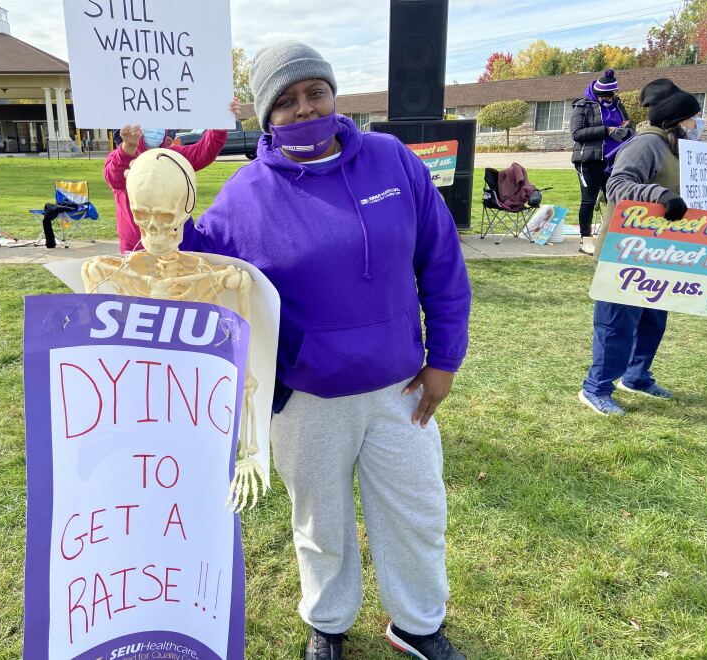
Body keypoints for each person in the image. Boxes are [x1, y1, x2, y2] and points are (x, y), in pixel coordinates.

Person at [180, 42, 471, 660]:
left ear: (334, 94)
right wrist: (148, 188)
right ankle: (328, 622)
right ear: (266, 117)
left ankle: (417, 625)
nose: (304, 108)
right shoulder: (244, 194)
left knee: (416, 513)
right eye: (284, 102)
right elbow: (189, 265)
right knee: (320, 526)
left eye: (315, 91)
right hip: (306, 398)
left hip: (401, 392)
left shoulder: (393, 161)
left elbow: (441, 262)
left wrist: (444, 360)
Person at [579, 78, 703, 416]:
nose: (698, 124)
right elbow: (618, 186)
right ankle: (596, 388)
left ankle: (636, 376)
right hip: (626, 251)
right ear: (676, 121)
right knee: (617, 323)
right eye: (693, 118)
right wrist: (660, 196)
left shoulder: (679, 148)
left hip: (660, 251)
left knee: (652, 321)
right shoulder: (647, 144)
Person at [105, 99, 241, 253]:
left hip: (178, 245)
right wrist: (128, 148)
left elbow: (204, 151)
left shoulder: (174, 156)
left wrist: (219, 124)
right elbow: (115, 178)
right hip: (136, 249)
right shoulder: (120, 157)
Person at [570, 70, 635, 255]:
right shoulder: (583, 106)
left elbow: (629, 126)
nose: (610, 98)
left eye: (612, 94)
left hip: (616, 160)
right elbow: (577, 134)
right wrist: (606, 130)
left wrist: (626, 130)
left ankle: (616, 239)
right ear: (597, 94)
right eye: (606, 95)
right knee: (589, 201)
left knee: (615, 200)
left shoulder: (618, 104)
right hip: (590, 160)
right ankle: (586, 241)